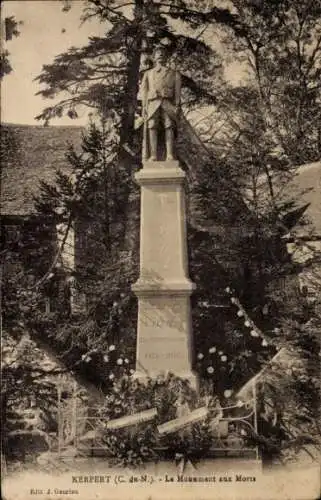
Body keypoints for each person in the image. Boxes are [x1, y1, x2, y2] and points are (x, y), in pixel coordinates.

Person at [140, 47, 181, 161]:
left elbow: (177, 91)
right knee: (152, 125)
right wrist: (144, 107)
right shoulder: (148, 74)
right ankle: (153, 155)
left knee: (169, 125)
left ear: (166, 57)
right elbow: (144, 91)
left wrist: (177, 105)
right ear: (153, 57)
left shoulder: (174, 74)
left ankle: (169, 154)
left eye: (163, 53)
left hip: (167, 103)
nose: (160, 55)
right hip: (152, 103)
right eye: (158, 53)